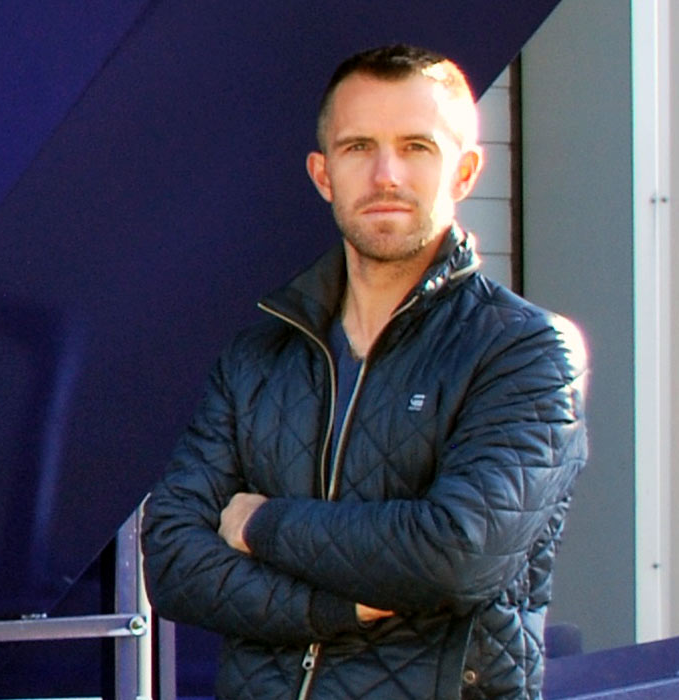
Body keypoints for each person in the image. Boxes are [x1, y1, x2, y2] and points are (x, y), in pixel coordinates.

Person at [142, 44, 588, 699]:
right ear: (323, 174)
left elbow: (456, 553)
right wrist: (337, 607)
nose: (385, 175)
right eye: (358, 148)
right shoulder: (258, 357)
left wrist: (261, 525)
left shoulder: (523, 351)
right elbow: (174, 560)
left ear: (466, 171)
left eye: (416, 147)